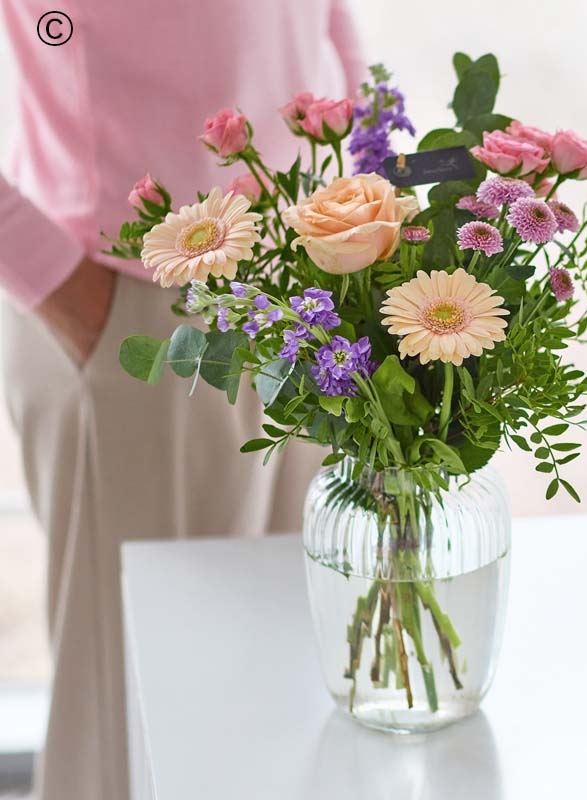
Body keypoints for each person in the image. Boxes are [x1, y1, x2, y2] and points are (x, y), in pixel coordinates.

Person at [0, 2, 364, 798]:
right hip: (129, 304)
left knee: (283, 702)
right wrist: (61, 285)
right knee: (125, 735)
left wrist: (358, 158)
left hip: (305, 279)